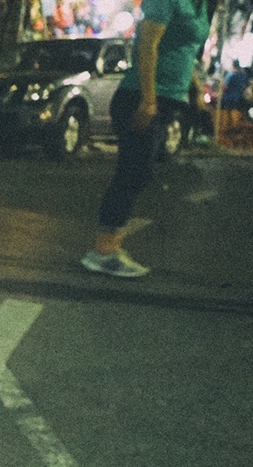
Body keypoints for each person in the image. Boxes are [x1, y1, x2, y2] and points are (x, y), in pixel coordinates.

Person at [80, 0, 210, 277]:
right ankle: (103, 252)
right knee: (133, 173)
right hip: (140, 97)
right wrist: (148, 100)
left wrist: (195, 89)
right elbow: (147, 46)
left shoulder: (201, 6)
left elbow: (186, 52)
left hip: (168, 99)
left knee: (139, 172)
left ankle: (108, 247)